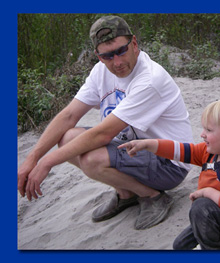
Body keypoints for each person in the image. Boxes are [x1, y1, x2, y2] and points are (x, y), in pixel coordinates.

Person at [17, 15, 193, 230]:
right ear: (98, 56)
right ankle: (126, 193)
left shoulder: (150, 79)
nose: (117, 62)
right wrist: (33, 157)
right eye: (108, 56)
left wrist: (46, 162)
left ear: (134, 43)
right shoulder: (100, 72)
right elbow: (69, 115)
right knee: (67, 138)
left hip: (169, 163)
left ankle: (153, 196)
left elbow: (102, 135)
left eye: (121, 51)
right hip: (134, 150)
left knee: (92, 159)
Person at [119, 98, 220, 249]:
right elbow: (177, 150)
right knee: (180, 246)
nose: (202, 134)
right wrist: (147, 144)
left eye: (209, 130)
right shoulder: (208, 153)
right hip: (212, 220)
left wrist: (207, 192)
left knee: (201, 206)